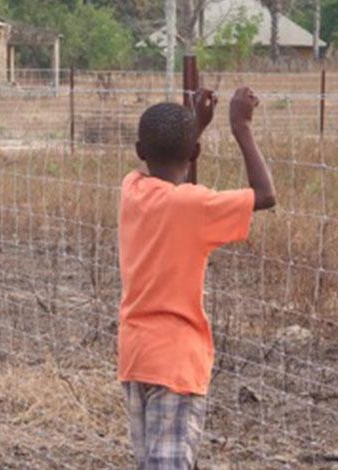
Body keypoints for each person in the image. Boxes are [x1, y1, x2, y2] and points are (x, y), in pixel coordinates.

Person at [118, 87, 276, 469]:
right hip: (176, 361)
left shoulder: (131, 188)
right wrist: (241, 128)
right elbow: (266, 194)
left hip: (136, 355)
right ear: (195, 154)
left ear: (140, 152)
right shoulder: (192, 205)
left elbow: (173, 168)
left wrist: (195, 126)